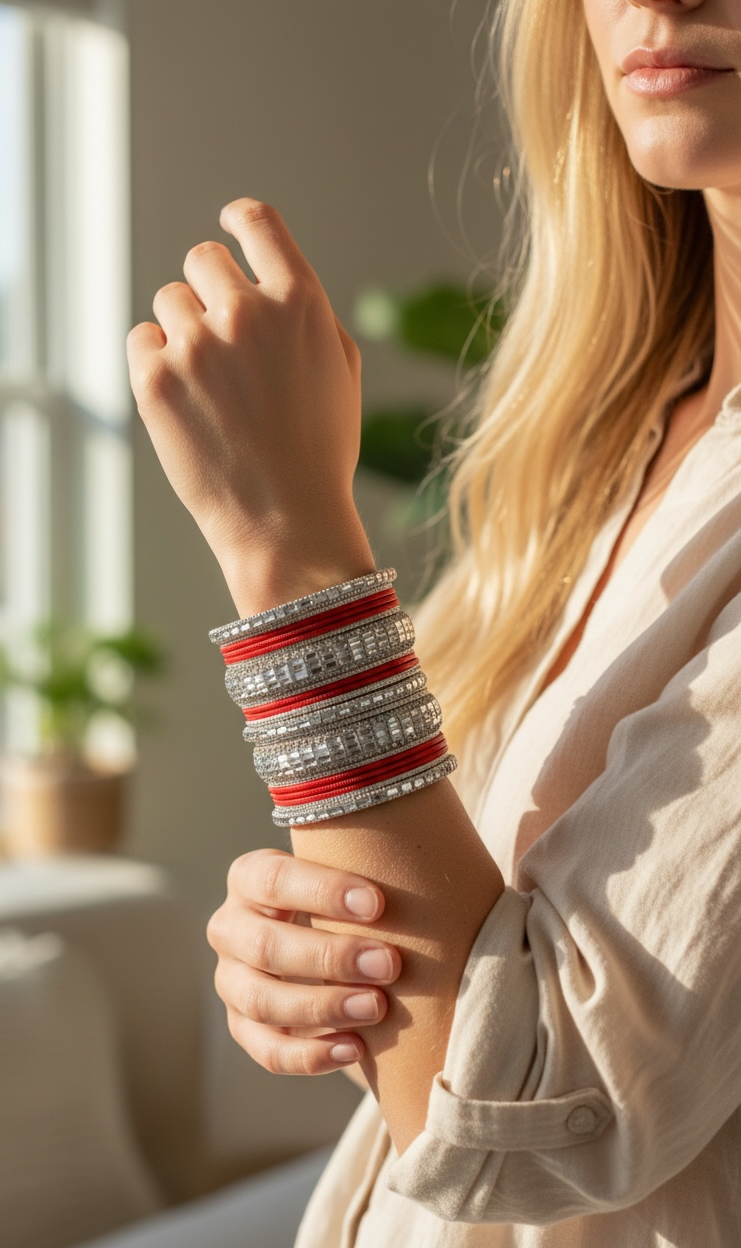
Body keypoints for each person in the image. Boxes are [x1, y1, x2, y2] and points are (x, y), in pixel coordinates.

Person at [126, 0, 741, 1242]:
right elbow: (463, 1010)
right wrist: (328, 964)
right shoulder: (605, 440)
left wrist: (288, 553)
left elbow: (532, 1109)